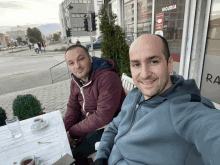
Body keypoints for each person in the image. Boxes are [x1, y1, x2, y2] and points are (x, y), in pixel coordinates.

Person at [93, 34, 220, 165]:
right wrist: (101, 157)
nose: (145, 74)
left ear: (169, 64)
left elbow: (211, 130)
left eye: (153, 61)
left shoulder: (184, 110)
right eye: (136, 64)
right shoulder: (134, 95)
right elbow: (114, 126)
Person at [64, 44, 126, 165]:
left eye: (81, 59)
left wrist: (72, 133)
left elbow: (102, 117)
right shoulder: (76, 80)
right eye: (71, 63)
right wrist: (66, 132)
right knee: (63, 141)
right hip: (88, 121)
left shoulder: (107, 77)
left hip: (109, 127)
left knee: (72, 155)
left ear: (90, 58)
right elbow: (73, 106)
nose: (77, 66)